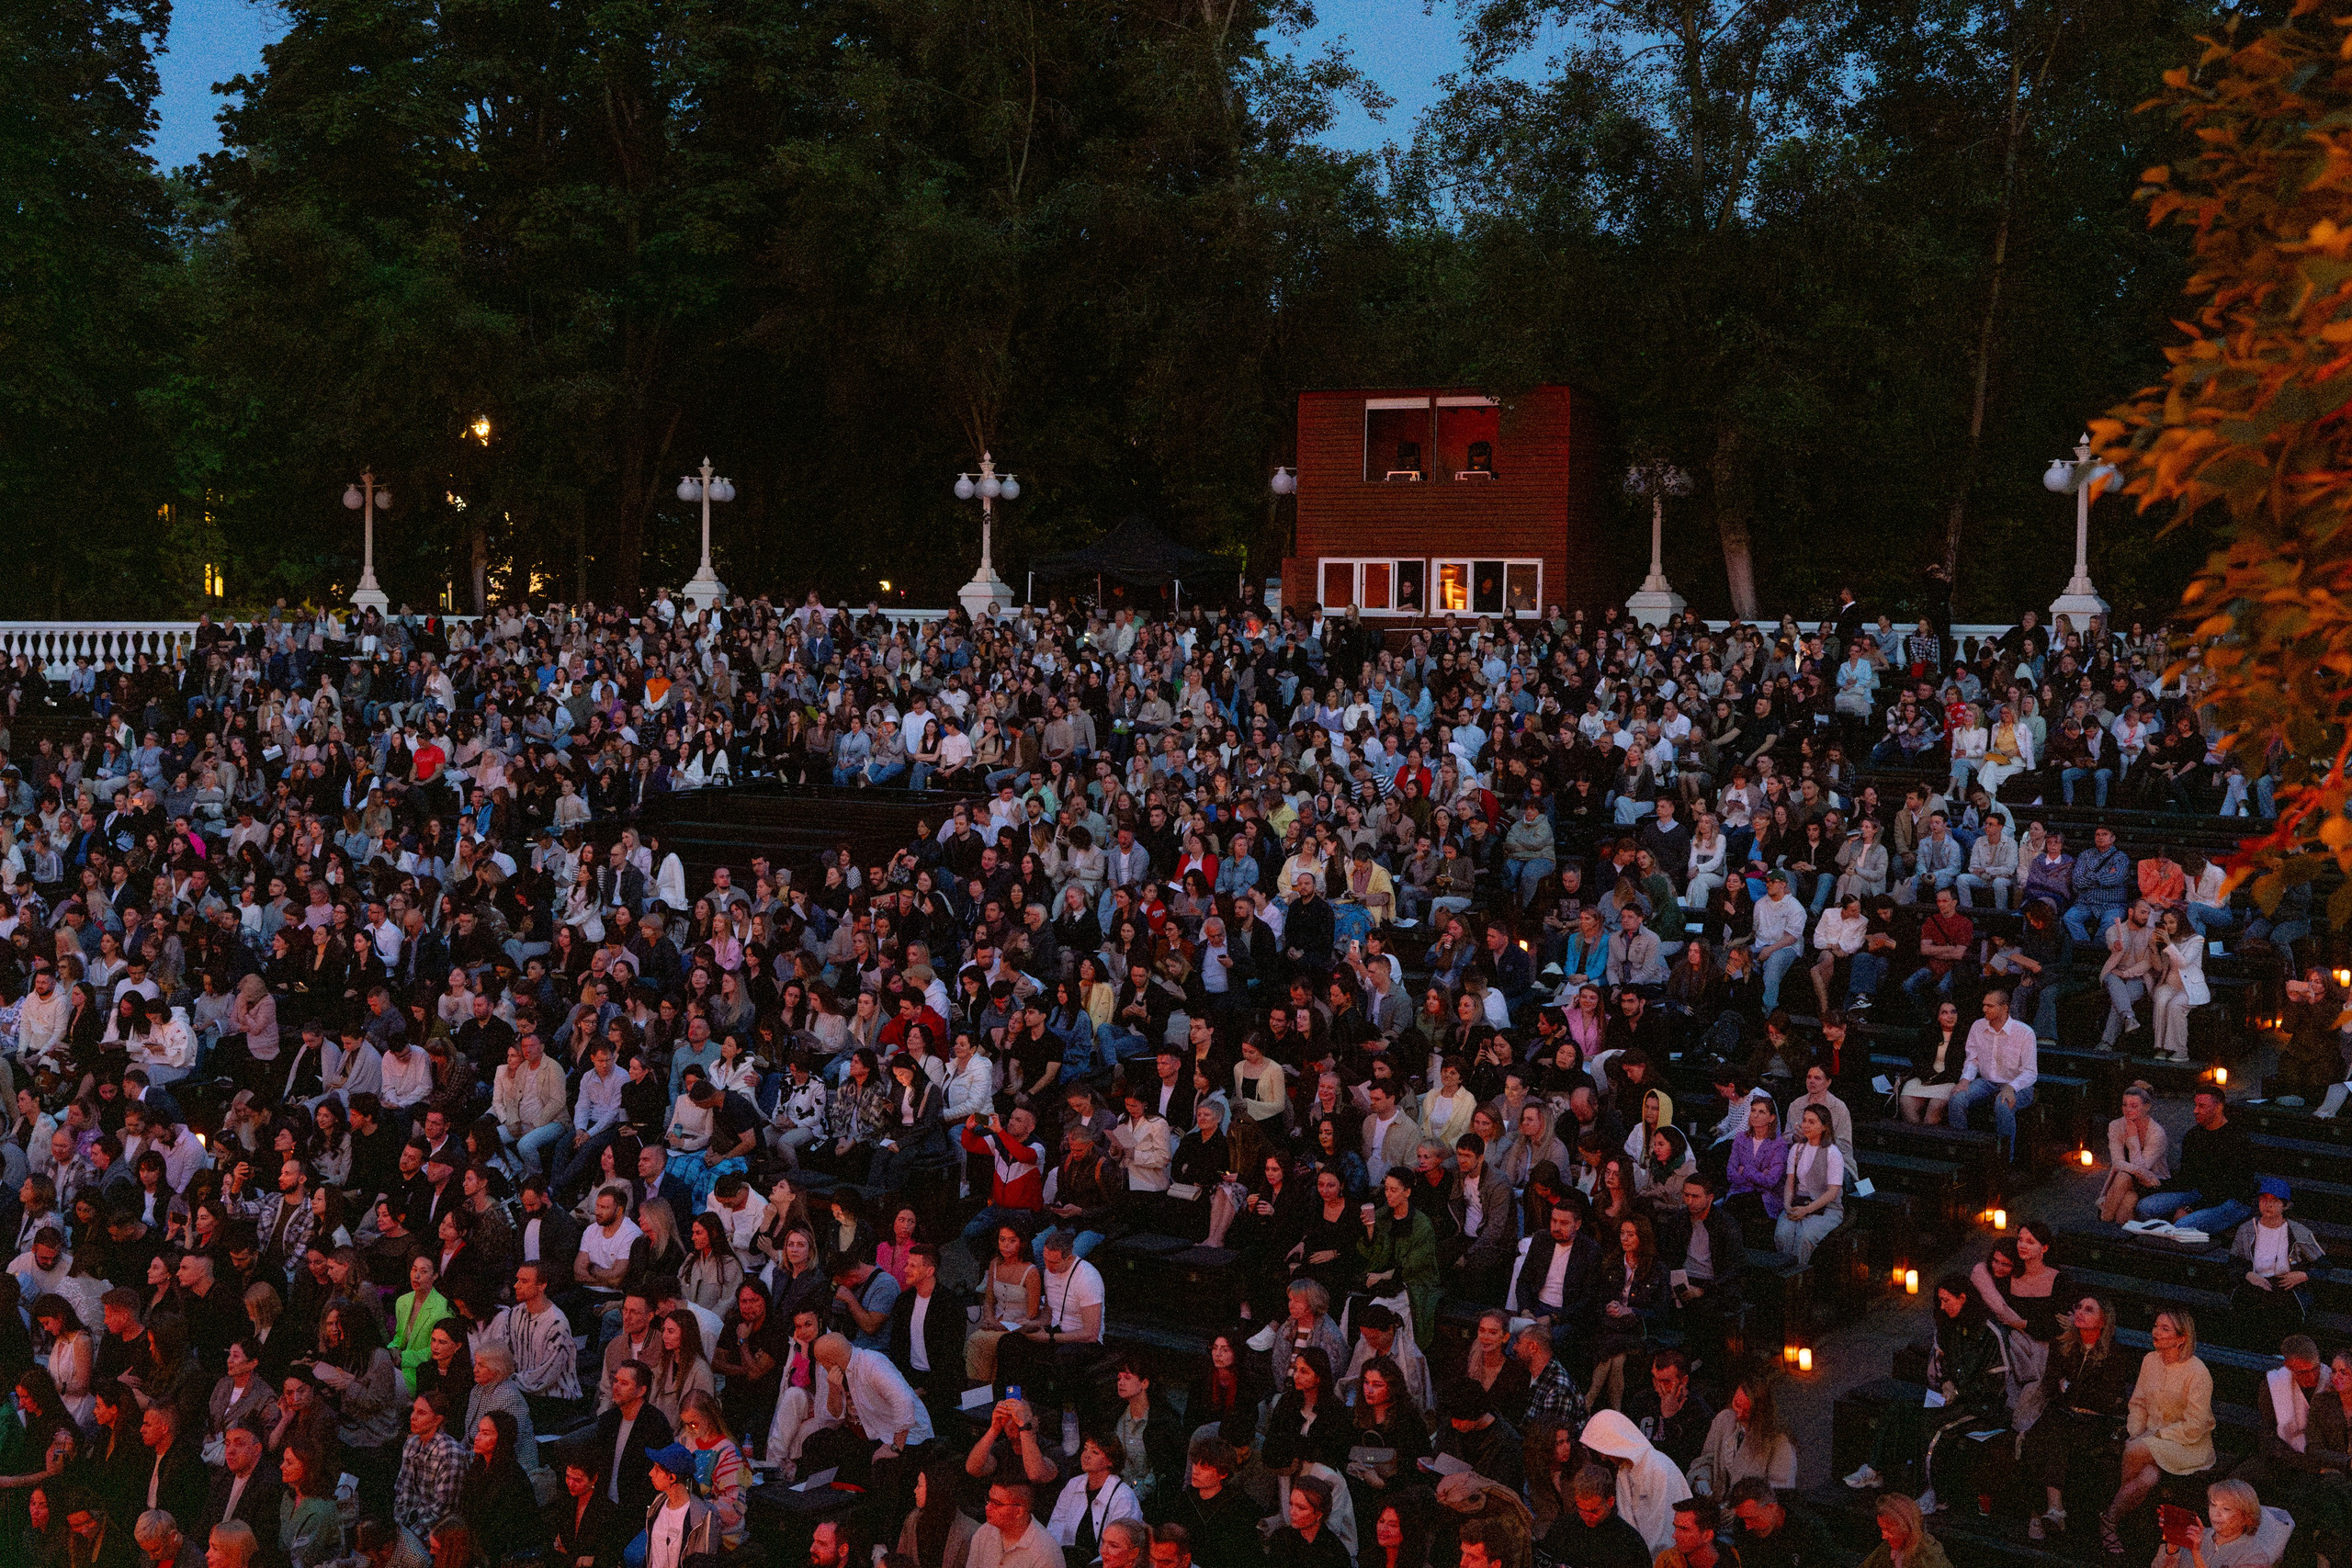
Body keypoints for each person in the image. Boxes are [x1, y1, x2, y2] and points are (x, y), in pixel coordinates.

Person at [1842, 1274, 2005, 1511]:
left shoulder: (1990, 1334)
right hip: (1949, 1398)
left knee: (1934, 1425)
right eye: (1940, 1301)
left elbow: (1997, 1381)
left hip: (1980, 1405)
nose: (1942, 1307)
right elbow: (1944, 1366)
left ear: (1963, 1298)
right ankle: (1875, 1469)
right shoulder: (1948, 1328)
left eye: (1946, 1300)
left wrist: (1959, 1391)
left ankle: (1934, 1493)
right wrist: (1946, 1382)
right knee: (1902, 1408)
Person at [2101, 1310, 2217, 1557]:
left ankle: (2109, 1521)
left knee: (2135, 1449)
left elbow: (2195, 1425)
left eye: (2165, 1329)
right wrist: (2136, 1431)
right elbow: (2138, 1403)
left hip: (2187, 1443)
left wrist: (2153, 1437)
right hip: (2150, 1439)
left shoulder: (2198, 1372)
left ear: (2182, 1338)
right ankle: (2115, 1519)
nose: (2156, 1332)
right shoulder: (2150, 1360)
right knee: (2148, 1478)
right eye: (2156, 1326)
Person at [2019, 1296, 2134, 1540]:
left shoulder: (2115, 1354)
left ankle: (2044, 1513)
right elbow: (2051, 1387)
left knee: (2054, 1432)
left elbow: (2104, 1399)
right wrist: (2073, 1392)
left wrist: (2069, 1387)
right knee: (2037, 1436)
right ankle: (2048, 1511)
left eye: (2089, 1310)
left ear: (2103, 1321)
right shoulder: (2061, 1345)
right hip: (2062, 1414)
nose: (2080, 1312)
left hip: (2093, 1422)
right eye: (2079, 1308)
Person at [2134, 1089, 2255, 1237]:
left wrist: (2190, 1208)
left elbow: (2229, 1187)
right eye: (2195, 1105)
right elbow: (2187, 1178)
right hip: (2199, 1192)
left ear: (2218, 1108)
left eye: (2202, 1106)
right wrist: (2157, 1184)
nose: (2195, 1111)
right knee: (2145, 1207)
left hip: (2232, 1200)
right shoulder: (2194, 1136)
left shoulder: (2237, 1139)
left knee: (2183, 1226)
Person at [2230, 1178, 2325, 1344]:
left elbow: (2323, 1266)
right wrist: (2248, 1275)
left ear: (2285, 1205)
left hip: (2285, 1287)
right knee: (2248, 1311)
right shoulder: (2246, 1229)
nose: (2268, 1205)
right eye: (2264, 1199)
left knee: (2282, 1312)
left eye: (2274, 1201)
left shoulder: (2298, 1232)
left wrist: (2303, 1275)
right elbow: (2233, 1263)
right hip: (2256, 1284)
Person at [1947, 987, 2036, 1161]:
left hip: (2017, 1084)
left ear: (2005, 1008)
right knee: (1957, 1098)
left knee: (2003, 1104)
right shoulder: (1978, 1026)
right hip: (1986, 1081)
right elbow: (1973, 1059)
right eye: (1984, 1005)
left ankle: (2005, 1159)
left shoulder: (2024, 1032)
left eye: (1990, 1006)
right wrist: (1965, 1079)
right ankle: (1962, 1151)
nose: (1984, 1009)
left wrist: (2011, 1087)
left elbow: (2030, 1072)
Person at [1688, 1371, 1795, 1499]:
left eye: (1747, 1411)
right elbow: (1707, 1459)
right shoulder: (1723, 1420)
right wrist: (1701, 1478)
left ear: (1761, 1410)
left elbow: (1780, 1489)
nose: (1739, 1414)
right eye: (1737, 1405)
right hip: (1716, 1504)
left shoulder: (1779, 1441)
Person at [1535, 1461, 1649, 1568]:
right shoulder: (1562, 1528)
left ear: (1610, 1502)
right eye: (1581, 1509)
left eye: (1594, 1511)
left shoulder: (1630, 1543)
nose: (1587, 1517)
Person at [1774, 1105, 1842, 1265]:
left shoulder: (1833, 1153)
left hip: (1826, 1207)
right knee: (1782, 1234)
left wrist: (1807, 1210)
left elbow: (1832, 1192)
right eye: (1804, 1120)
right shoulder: (1796, 1149)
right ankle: (1783, 1270)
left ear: (1824, 1126)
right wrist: (1788, 1205)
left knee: (1804, 1236)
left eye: (1812, 1122)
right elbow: (1790, 1182)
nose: (1806, 1125)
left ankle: (1799, 1272)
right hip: (1799, 1202)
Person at [1724, 1477, 1838, 1568]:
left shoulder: (1808, 1528)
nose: (1748, 1526)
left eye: (1753, 1518)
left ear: (1772, 1507)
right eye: (1744, 1518)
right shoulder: (1741, 1526)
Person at [2101, 1083, 2170, 1224]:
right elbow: (2117, 1162)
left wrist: (2132, 1138)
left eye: (2134, 1106)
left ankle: (2102, 1224)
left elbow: (2143, 1168)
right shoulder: (2116, 1125)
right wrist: (2138, 1171)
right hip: (2128, 1180)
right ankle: (2106, 1226)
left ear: (2147, 1107)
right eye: (2124, 1105)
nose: (2127, 1110)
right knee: (2128, 1195)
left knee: (2124, 1181)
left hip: (2152, 1183)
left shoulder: (2157, 1134)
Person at [900, 1455, 979, 1568]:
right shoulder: (913, 1520)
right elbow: (900, 1560)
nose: (915, 1490)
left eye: (919, 1485)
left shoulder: (969, 1532)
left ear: (934, 1490)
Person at [971, 1479, 1068, 1568]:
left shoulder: (1045, 1552)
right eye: (989, 1499)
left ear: (1019, 1512)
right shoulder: (984, 1532)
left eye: (997, 1503)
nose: (987, 1507)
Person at [1858, 1494, 1951, 1568]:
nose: (1884, 1536)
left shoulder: (1928, 1556)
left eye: (1889, 1530)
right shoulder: (1887, 1548)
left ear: (1905, 1526)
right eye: (1883, 1529)